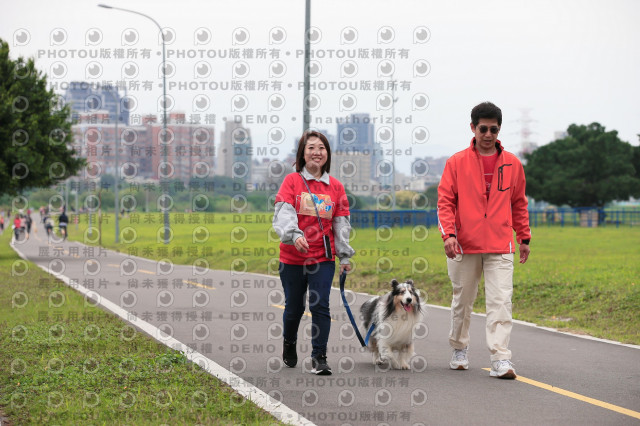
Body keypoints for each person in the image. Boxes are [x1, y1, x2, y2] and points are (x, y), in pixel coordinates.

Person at [437, 102, 531, 379]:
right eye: (483, 129)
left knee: (501, 302)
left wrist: (524, 237)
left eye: (494, 129)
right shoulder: (456, 162)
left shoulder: (513, 163)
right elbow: (445, 202)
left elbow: (519, 203)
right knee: (463, 301)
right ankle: (459, 349)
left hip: (501, 244)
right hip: (463, 245)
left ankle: (501, 358)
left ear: (499, 130)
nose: (488, 134)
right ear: (473, 128)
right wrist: (448, 235)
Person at [272, 130, 355, 375]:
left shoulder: (336, 187)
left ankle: (319, 357)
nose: (316, 152)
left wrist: (344, 255)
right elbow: (284, 212)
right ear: (303, 153)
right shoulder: (292, 181)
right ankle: (289, 342)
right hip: (292, 258)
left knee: (320, 305)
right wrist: (294, 235)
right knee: (294, 309)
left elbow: (341, 223)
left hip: (323, 258)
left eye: (321, 148)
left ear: (327, 154)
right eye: (311, 148)